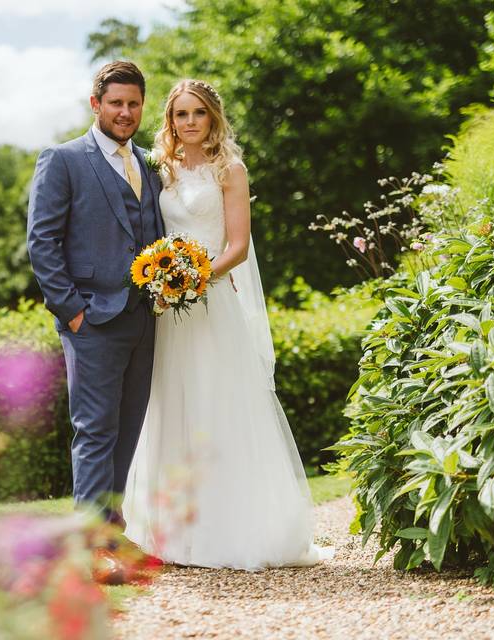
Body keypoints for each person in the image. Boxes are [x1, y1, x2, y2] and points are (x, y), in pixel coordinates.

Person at [122, 79, 332, 570]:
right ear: (170, 121)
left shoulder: (229, 169)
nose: (189, 122)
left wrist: (192, 280)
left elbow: (237, 246)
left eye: (197, 113)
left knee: (218, 406)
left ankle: (232, 530)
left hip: (212, 302)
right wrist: (165, 283)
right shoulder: (162, 169)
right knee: (173, 407)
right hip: (169, 314)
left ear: (213, 117)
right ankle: (176, 534)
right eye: (180, 115)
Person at [26, 61, 165, 581]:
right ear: (96, 105)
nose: (125, 112)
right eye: (116, 103)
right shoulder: (62, 159)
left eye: (133, 104)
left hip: (143, 318)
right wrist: (73, 312)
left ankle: (111, 532)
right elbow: (43, 242)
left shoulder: (149, 163)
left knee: (127, 430)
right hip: (92, 321)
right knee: (95, 430)